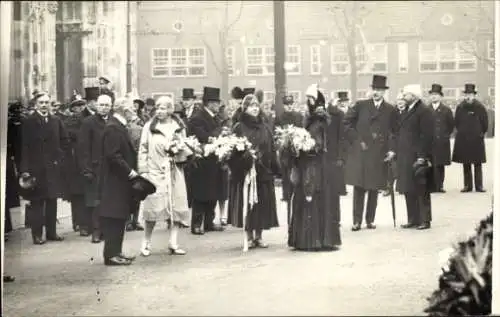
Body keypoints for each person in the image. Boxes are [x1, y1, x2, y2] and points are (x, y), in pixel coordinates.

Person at [288, 84, 341, 251]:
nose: (308, 103)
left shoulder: (319, 120)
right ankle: (311, 238)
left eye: (311, 99)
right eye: (307, 100)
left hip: (316, 166)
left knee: (314, 197)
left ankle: (314, 239)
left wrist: (306, 145)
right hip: (308, 164)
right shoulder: (310, 119)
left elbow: (319, 145)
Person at [343, 75, 398, 231]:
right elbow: (347, 123)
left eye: (380, 90)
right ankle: (356, 221)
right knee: (359, 187)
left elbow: (395, 131)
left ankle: (370, 220)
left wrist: (392, 149)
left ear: (384, 92)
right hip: (362, 152)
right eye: (374, 89)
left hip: (379, 154)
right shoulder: (361, 105)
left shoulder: (390, 109)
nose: (376, 93)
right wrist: (357, 140)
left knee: (374, 188)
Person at [137, 96, 190, 256]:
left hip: (174, 172)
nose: (160, 111)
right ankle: (146, 242)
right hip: (155, 172)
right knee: (153, 209)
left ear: (170, 110)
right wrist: (144, 170)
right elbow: (143, 148)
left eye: (164, 108)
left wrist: (178, 152)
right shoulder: (149, 126)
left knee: (176, 207)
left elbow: (185, 148)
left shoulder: (178, 126)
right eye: (158, 108)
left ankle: (173, 242)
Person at [226, 93, 279, 248]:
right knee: (248, 202)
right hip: (245, 172)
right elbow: (233, 149)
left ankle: (259, 236)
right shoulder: (238, 127)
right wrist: (245, 158)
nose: (255, 109)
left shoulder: (265, 126)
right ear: (245, 108)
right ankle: (249, 235)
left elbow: (271, 147)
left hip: (263, 171)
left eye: (256, 106)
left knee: (261, 202)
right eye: (251, 106)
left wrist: (272, 166)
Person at [19, 91, 68, 245]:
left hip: (53, 168)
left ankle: (52, 233)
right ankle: (37, 235)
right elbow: (24, 147)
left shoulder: (56, 120)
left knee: (52, 200)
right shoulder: (28, 122)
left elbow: (64, 141)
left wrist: (60, 159)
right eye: (41, 103)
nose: (44, 105)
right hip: (36, 169)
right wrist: (25, 169)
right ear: (36, 104)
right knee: (37, 203)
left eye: (47, 102)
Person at [98, 97, 138, 266]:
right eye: (132, 109)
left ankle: (116, 252)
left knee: (119, 216)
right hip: (115, 180)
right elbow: (113, 155)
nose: (134, 112)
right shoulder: (114, 128)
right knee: (114, 217)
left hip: (119, 180)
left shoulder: (117, 126)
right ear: (125, 110)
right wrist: (129, 171)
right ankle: (111, 254)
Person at [187, 87, 227, 234]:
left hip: (215, 160)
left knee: (213, 192)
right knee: (200, 193)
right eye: (216, 103)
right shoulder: (198, 117)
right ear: (209, 103)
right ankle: (196, 224)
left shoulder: (215, 118)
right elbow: (202, 136)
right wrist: (219, 134)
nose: (218, 106)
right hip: (201, 161)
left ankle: (209, 222)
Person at [396, 85, 435, 230]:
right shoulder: (407, 110)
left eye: (406, 95)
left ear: (414, 96)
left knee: (421, 189)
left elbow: (426, 136)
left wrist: (422, 156)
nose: (404, 97)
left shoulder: (423, 111)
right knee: (408, 188)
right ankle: (412, 219)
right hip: (405, 156)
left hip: (417, 157)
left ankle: (425, 220)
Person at [78, 92, 111, 242]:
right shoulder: (88, 122)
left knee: (108, 199)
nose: (104, 108)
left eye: (107, 105)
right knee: (95, 201)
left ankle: (106, 229)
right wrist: (86, 169)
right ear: (97, 106)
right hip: (95, 167)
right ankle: (96, 231)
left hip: (111, 167)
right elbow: (83, 148)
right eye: (102, 105)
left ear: (111, 107)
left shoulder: (114, 121)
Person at [452, 84, 488, 193]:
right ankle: (467, 186)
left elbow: (485, 123)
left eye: (470, 94)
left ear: (474, 95)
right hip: (464, 139)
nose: (468, 97)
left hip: (477, 139)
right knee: (465, 163)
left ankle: (479, 186)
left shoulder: (480, 107)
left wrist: (480, 133)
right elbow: (456, 122)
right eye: (467, 94)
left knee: (477, 163)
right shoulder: (460, 107)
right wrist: (462, 131)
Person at [61, 94, 87, 233]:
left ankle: (81, 222)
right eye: (77, 106)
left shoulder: (86, 120)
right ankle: (78, 222)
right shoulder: (69, 121)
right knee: (77, 194)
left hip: (82, 160)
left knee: (81, 194)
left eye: (82, 105)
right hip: (74, 162)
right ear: (73, 108)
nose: (80, 108)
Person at [275, 95, 303, 214]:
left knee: (297, 170)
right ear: (284, 105)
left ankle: (297, 192)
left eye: (291, 104)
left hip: (296, 149)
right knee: (286, 172)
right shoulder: (279, 117)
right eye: (287, 104)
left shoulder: (298, 116)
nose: (290, 106)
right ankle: (286, 194)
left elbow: (302, 130)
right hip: (285, 150)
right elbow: (275, 133)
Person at [428, 84, 455, 193]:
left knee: (440, 164)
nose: (434, 97)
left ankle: (440, 185)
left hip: (441, 141)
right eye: (432, 95)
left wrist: (445, 135)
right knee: (430, 163)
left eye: (436, 95)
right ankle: (431, 186)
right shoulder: (426, 109)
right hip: (430, 141)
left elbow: (451, 125)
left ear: (440, 97)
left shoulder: (446, 110)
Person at [125, 98, 146, 232]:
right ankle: (129, 220)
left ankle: (134, 220)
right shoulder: (125, 128)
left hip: (135, 162)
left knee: (137, 191)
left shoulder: (139, 128)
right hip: (129, 162)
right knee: (130, 192)